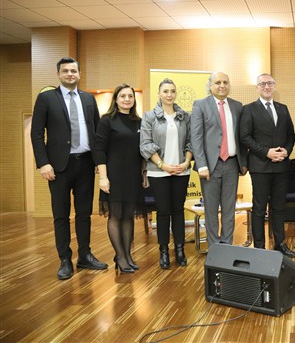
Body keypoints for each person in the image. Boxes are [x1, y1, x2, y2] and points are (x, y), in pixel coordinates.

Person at [31, 57, 108, 280]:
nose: (70, 74)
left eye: (73, 70)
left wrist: (98, 161)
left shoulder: (88, 98)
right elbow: (36, 133)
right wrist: (43, 163)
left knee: (84, 214)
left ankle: (85, 255)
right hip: (58, 167)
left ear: (79, 74)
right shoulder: (46, 98)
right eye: (65, 71)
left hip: (85, 164)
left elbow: (97, 132)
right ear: (58, 74)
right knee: (61, 215)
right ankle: (65, 259)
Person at [240, 73, 295, 258]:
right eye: (263, 84)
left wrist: (286, 151)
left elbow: (291, 135)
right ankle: (259, 248)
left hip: (281, 166)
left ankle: (280, 244)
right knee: (259, 209)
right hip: (260, 167)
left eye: (270, 83)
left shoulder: (283, 108)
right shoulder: (249, 109)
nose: (266, 86)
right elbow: (245, 137)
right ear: (257, 87)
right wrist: (266, 152)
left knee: (279, 207)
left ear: (274, 86)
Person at [93, 84, 147, 274]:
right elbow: (99, 149)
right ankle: (121, 257)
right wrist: (103, 177)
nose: (127, 99)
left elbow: (142, 151)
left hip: (132, 175)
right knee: (116, 216)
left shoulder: (139, 122)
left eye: (130, 96)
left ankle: (127, 255)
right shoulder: (107, 120)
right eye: (122, 96)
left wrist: (144, 174)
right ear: (116, 99)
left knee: (128, 216)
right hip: (114, 175)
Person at [140, 78, 193, 269]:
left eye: (172, 91)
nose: (169, 95)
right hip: (158, 172)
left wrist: (186, 162)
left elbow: (191, 142)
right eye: (165, 91)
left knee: (178, 210)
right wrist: (163, 165)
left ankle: (179, 250)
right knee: (163, 212)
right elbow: (145, 145)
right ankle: (163, 251)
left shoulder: (185, 116)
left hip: (181, 171)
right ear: (159, 94)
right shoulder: (149, 117)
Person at [190, 72, 248, 248]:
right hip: (210, 166)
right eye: (218, 82)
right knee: (211, 210)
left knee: (229, 209)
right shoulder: (200, 105)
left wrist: (244, 162)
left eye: (225, 82)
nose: (222, 85)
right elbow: (196, 138)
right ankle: (215, 248)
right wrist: (201, 165)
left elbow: (242, 137)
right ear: (210, 85)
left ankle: (227, 247)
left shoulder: (238, 106)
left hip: (232, 163)